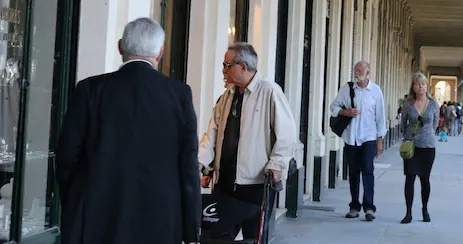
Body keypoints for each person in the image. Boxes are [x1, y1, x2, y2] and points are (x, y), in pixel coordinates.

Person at [56, 17, 201, 244]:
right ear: (160, 53)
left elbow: (67, 156)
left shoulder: (90, 89)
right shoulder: (179, 94)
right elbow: (188, 166)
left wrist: (74, 201)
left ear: (121, 46)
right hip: (160, 218)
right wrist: (191, 228)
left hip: (96, 215)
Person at [198, 42, 297, 239]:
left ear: (242, 67)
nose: (223, 70)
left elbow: (287, 135)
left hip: (255, 185)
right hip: (225, 183)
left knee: (254, 237)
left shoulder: (269, 92)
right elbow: (212, 136)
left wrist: (277, 165)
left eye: (227, 65)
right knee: (217, 236)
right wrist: (200, 162)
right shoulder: (226, 97)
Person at [330, 61, 386, 221]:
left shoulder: (375, 91)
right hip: (351, 138)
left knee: (368, 171)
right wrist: (345, 112)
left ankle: (369, 208)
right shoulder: (346, 89)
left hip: (369, 138)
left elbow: (380, 117)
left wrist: (380, 140)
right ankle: (354, 206)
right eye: (355, 70)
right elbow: (333, 107)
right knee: (353, 173)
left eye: (360, 70)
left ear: (368, 73)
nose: (357, 73)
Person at [399, 72, 439, 224]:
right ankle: (408, 212)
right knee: (409, 178)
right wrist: (409, 136)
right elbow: (403, 123)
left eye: (422, 84)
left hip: (428, 147)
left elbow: (434, 124)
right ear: (413, 87)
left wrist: (427, 134)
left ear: (426, 86)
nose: (420, 86)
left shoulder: (434, 103)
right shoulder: (408, 104)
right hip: (411, 146)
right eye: (417, 84)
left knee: (425, 179)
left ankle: (425, 209)